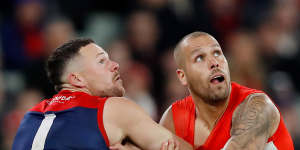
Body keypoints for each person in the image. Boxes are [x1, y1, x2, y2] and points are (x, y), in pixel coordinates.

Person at [12, 38, 193, 150]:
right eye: (101, 61)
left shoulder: (29, 117)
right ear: (77, 79)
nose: (115, 65)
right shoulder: (112, 109)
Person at [159, 32, 294, 150]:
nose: (214, 62)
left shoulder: (259, 106)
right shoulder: (174, 118)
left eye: (217, 53)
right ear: (183, 76)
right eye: (199, 58)